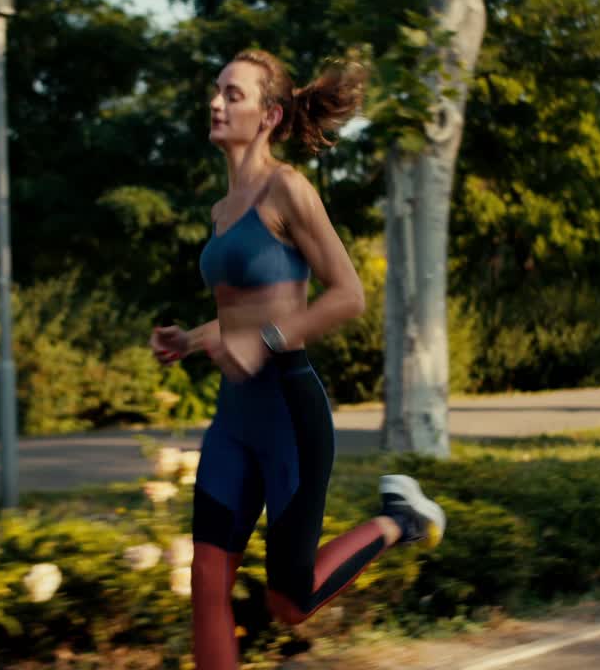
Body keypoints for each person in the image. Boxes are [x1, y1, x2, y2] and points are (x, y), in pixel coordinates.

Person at [149, 49, 446, 670]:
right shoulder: (221, 210)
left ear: (268, 115)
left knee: (290, 599)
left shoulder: (288, 189)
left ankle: (398, 519)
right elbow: (246, 314)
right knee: (208, 582)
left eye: (233, 94)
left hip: (289, 411)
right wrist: (193, 339)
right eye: (216, 90)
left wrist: (267, 342)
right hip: (235, 419)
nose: (216, 102)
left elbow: (348, 296)